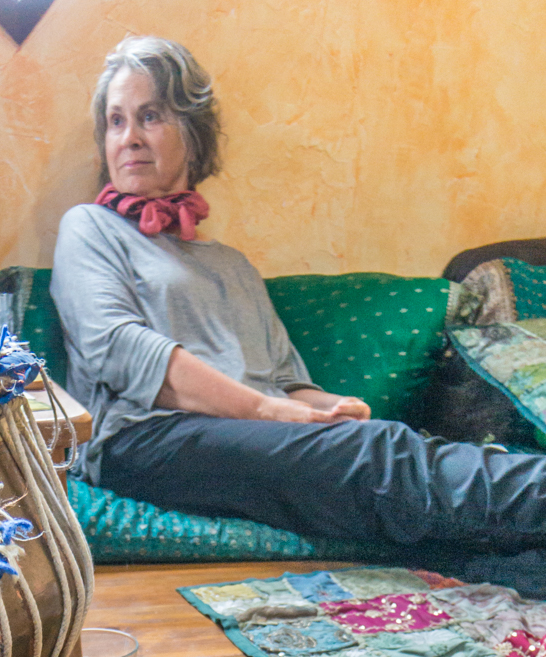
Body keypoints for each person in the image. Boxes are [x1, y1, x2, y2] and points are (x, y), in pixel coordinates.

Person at [50, 36, 546, 592]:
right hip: (146, 440)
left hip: (249, 436)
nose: (130, 138)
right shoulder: (89, 228)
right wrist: (265, 411)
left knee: (395, 475)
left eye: (150, 116)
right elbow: (120, 351)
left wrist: (328, 407)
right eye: (116, 122)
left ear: (192, 133)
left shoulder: (229, 263)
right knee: (381, 455)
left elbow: (286, 380)